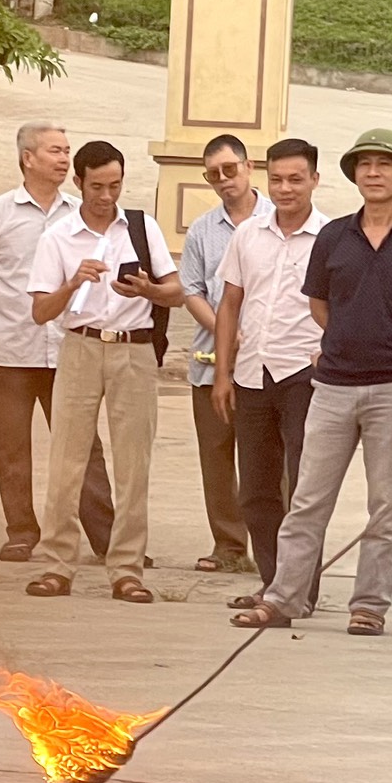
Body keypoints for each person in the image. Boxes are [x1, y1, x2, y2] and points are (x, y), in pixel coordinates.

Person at [236, 130, 392, 635]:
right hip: (331, 387)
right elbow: (320, 304)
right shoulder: (333, 238)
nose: (374, 173)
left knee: (385, 505)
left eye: (385, 165)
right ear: (353, 175)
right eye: (364, 164)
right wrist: (349, 337)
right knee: (306, 499)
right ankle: (283, 598)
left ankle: (369, 606)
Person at [25, 141, 182, 602]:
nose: (106, 196)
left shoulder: (141, 226)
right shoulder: (58, 237)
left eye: (114, 186)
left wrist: (147, 289)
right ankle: (57, 563)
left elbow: (176, 293)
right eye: (97, 186)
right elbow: (39, 312)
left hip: (133, 350)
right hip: (80, 346)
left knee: (135, 462)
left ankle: (127, 569)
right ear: (78, 183)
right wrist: (73, 280)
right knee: (67, 459)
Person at [0, 122, 115, 564]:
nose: (65, 159)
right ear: (28, 158)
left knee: (84, 446)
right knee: (12, 447)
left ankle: (107, 539)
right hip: (10, 349)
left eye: (67, 151)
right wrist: (8, 311)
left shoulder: (79, 214)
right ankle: (22, 532)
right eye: (55, 151)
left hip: (69, 348)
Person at [215, 139, 329, 594]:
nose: (285, 189)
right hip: (252, 375)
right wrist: (222, 374)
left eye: (296, 179)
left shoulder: (333, 237)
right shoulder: (248, 234)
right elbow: (229, 304)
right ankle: (271, 583)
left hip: (305, 374)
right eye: (277, 179)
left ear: (315, 180)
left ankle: (302, 587)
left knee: (304, 489)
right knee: (256, 491)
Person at [176, 134, 258, 575]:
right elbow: (191, 290)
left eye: (230, 169)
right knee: (217, 456)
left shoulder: (276, 219)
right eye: (214, 175)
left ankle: (271, 548)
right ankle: (228, 545)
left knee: (267, 460)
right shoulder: (203, 230)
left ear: (249, 167)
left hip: (267, 364)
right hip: (211, 363)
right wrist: (227, 333)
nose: (224, 180)